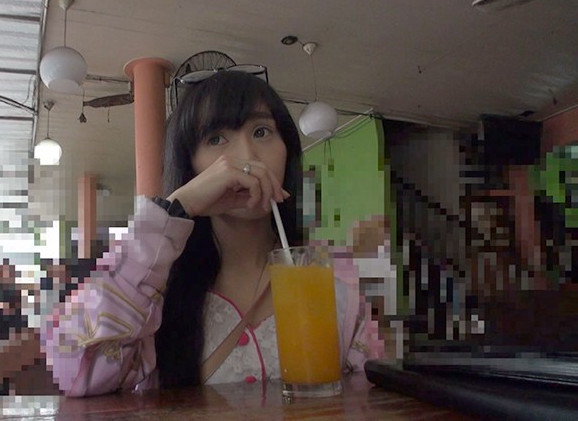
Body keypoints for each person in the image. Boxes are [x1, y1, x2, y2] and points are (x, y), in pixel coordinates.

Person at [43, 71, 384, 397]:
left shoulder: (333, 278)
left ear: (288, 150)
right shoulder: (154, 288)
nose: (247, 158)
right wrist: (176, 208)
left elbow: (374, 393)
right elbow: (76, 374)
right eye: (216, 139)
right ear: (190, 166)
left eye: (262, 132)